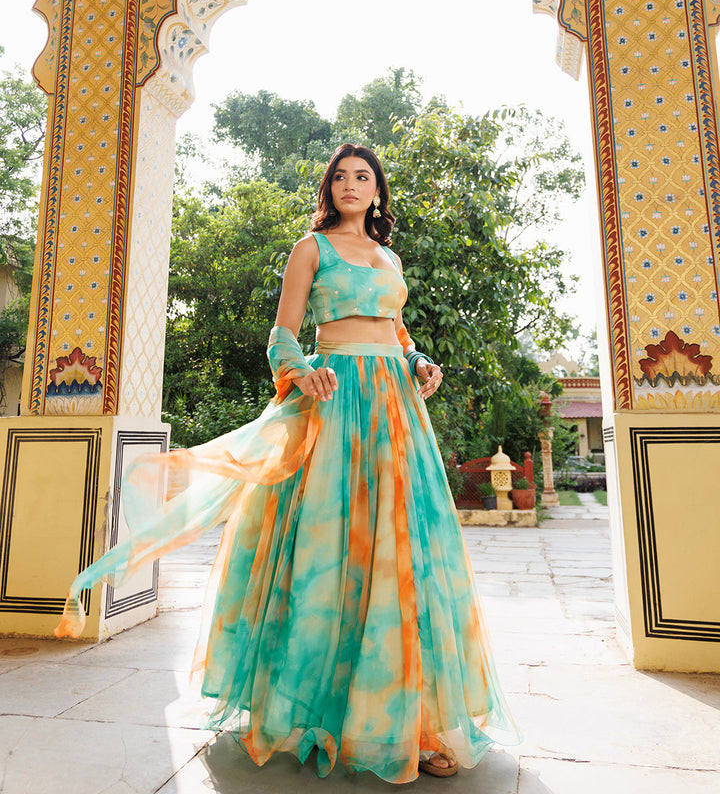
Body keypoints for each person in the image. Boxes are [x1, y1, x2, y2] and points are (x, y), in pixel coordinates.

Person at [55, 143, 519, 783]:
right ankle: (323, 713)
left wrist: (417, 363)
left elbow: (396, 330)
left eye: (363, 176)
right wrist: (301, 373)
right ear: (327, 190)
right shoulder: (312, 249)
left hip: (394, 408)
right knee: (327, 549)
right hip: (333, 400)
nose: (351, 184)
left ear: (378, 191)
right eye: (340, 177)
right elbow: (284, 333)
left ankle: (416, 721)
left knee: (406, 553)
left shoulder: (390, 257)